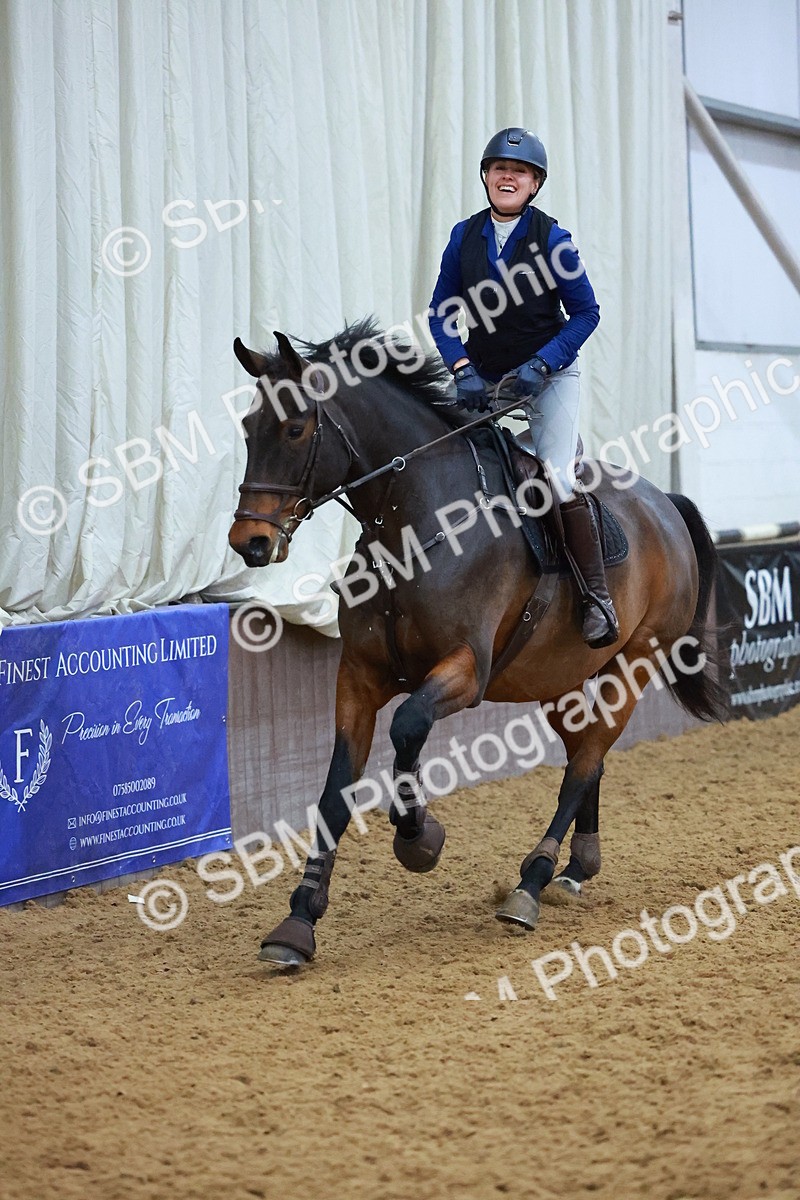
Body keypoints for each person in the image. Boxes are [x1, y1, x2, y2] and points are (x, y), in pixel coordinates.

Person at [427, 126, 619, 649]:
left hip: (548, 373)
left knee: (556, 480)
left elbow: (586, 313)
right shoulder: (463, 236)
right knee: (435, 457)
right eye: (499, 169)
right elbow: (443, 312)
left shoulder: (554, 239)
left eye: (521, 172)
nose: (508, 176)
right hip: (484, 373)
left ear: (534, 185)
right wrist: (462, 368)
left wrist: (544, 363)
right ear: (487, 177)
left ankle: (596, 596)